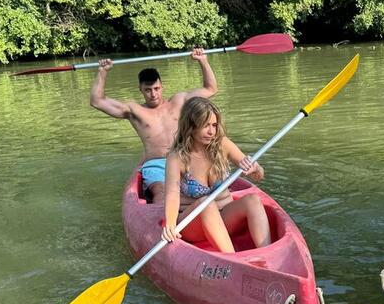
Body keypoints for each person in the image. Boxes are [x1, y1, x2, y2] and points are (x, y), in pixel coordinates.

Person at [90, 47, 218, 202]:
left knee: (207, 186)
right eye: (148, 90)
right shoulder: (134, 110)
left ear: (162, 86)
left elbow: (210, 88)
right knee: (162, 192)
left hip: (184, 159)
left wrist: (203, 60)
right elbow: (97, 101)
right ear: (141, 90)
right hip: (157, 165)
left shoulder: (179, 101)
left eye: (156, 88)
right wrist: (102, 72)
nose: (154, 94)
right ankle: (165, 223)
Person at [161, 96, 270, 253]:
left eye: (214, 125)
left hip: (225, 218)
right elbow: (172, 195)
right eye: (205, 126)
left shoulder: (222, 144)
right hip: (193, 224)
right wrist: (170, 225)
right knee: (206, 204)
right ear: (191, 126)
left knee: (253, 200)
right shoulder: (177, 157)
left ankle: (268, 255)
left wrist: (256, 168)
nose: (212, 131)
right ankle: (233, 260)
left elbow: (259, 175)